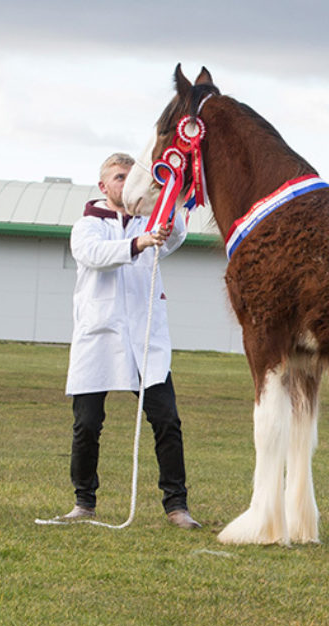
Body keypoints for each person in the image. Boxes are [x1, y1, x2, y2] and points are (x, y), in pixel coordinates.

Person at [55, 152, 200, 529]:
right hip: (99, 337)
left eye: (130, 176)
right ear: (104, 186)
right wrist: (139, 242)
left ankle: (177, 506)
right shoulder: (87, 225)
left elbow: (175, 237)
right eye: (119, 177)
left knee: (167, 420)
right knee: (87, 424)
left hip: (145, 338)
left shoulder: (149, 222)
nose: (126, 183)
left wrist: (175, 205)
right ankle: (84, 502)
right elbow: (94, 255)